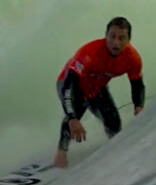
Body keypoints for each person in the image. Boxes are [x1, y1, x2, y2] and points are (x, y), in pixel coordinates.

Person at [53, 16, 145, 168]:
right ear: (106, 36)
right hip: (69, 85)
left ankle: (115, 154)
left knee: (114, 123)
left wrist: (139, 106)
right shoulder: (90, 53)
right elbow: (69, 86)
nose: (116, 42)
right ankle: (60, 155)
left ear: (129, 40)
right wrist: (72, 118)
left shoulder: (132, 58)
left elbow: (137, 84)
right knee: (74, 117)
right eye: (112, 36)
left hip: (96, 88)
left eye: (122, 38)